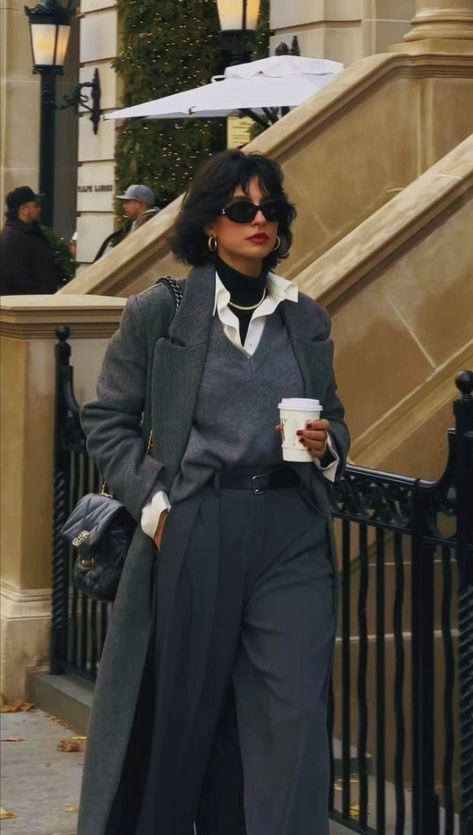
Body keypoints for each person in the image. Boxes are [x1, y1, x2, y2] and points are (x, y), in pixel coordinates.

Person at [78, 149, 350, 835]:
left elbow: (335, 416)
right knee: (185, 719)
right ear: (209, 224)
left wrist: (327, 444)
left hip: (288, 526)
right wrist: (153, 502)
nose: (259, 221)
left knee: (292, 708)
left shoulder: (304, 316)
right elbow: (106, 418)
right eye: (240, 210)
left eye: (269, 209)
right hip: (195, 522)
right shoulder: (160, 312)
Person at [0, 186, 62, 294]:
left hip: (39, 303)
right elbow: (17, 278)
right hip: (28, 305)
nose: (39, 209)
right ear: (24, 210)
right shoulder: (13, 237)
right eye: (35, 206)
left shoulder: (30, 233)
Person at [93, 184, 159, 261]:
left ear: (139, 204)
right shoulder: (137, 223)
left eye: (127, 202)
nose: (124, 206)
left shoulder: (148, 224)